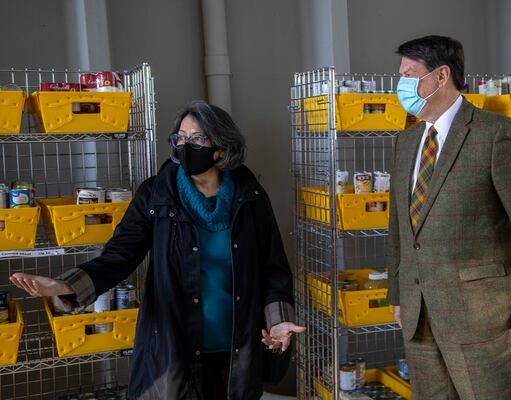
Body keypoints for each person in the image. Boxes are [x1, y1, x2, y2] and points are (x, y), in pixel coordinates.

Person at [10, 100, 305, 400]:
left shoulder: (250, 195)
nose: (186, 144)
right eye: (180, 137)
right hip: (175, 346)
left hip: (238, 347)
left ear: (221, 148)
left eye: (198, 138)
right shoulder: (155, 194)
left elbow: (273, 268)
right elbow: (119, 255)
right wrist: (65, 285)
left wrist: (278, 320)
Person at [387, 35, 511, 400]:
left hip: (478, 311)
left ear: (440, 76)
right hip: (418, 312)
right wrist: (397, 293)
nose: (400, 85)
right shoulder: (406, 142)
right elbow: (399, 229)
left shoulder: (494, 134)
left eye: (408, 74)